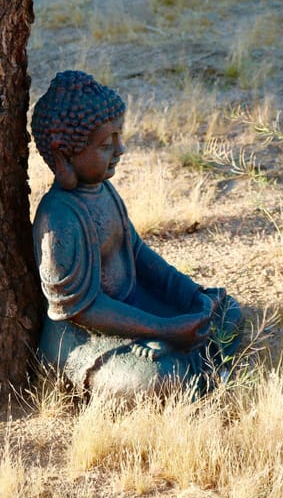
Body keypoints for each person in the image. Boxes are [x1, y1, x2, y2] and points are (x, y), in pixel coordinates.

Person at [31, 70, 242, 397]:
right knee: (163, 377)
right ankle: (201, 373)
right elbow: (77, 310)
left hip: (138, 307)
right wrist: (165, 329)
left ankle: (202, 370)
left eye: (119, 138)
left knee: (227, 311)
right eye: (106, 144)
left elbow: (139, 254)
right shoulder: (59, 217)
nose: (120, 150)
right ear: (62, 153)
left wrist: (191, 294)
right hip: (84, 338)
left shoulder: (105, 192)